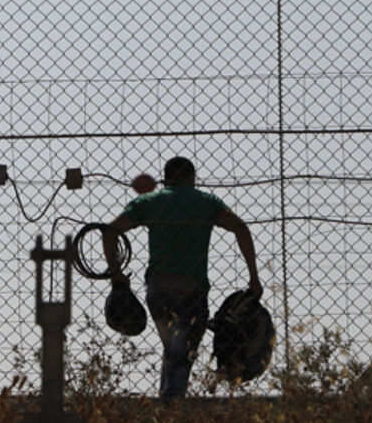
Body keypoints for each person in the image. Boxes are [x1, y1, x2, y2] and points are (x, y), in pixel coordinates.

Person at [103, 156, 260, 399]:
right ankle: (171, 407)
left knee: (174, 351)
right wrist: (254, 277)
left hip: (158, 289)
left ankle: (167, 404)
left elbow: (110, 231)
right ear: (192, 178)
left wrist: (116, 274)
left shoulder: (150, 201)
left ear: (165, 179)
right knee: (181, 353)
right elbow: (240, 227)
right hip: (191, 290)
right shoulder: (206, 201)